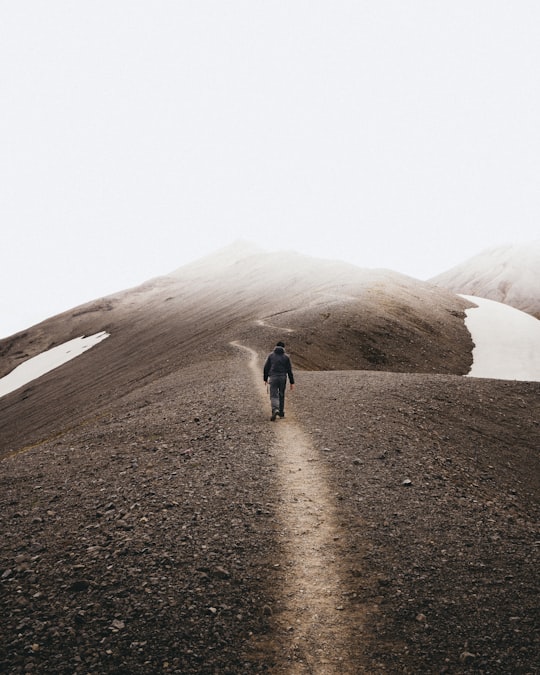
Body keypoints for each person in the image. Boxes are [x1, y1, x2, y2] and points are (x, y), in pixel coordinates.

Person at [263, 341, 295, 421]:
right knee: (281, 395)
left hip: (273, 377)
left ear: (276, 346)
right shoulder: (286, 357)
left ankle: (275, 409)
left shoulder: (271, 356)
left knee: (274, 395)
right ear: (283, 348)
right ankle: (281, 413)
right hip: (282, 378)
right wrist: (292, 382)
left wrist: (265, 378)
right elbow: (289, 370)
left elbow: (266, 368)